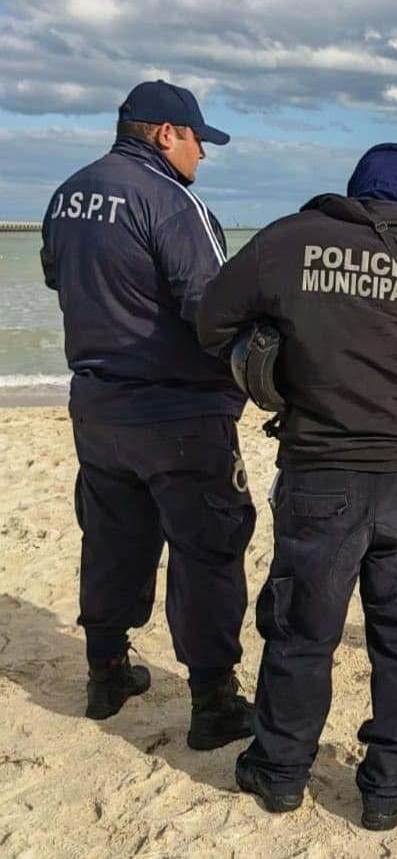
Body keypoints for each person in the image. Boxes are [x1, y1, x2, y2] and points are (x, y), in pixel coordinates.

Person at [196, 143, 397, 829]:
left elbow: (210, 322)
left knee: (303, 631)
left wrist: (272, 354)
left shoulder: (288, 241)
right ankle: (391, 785)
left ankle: (279, 772)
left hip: (319, 478)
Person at [40, 80, 256, 750]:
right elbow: (212, 307)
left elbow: (57, 276)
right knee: (207, 550)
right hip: (179, 414)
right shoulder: (170, 199)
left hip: (98, 407)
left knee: (112, 538)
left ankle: (106, 672)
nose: (202, 155)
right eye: (198, 141)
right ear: (166, 134)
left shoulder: (67, 194)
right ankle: (213, 701)